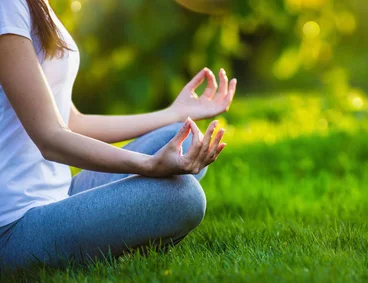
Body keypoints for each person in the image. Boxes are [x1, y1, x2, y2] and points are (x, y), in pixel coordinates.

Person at [0, 0, 237, 269]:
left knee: (177, 138)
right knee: (183, 196)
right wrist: (149, 165)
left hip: (60, 193)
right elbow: (50, 138)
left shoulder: (37, 5)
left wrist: (175, 113)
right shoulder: (7, 6)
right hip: (13, 226)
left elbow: (72, 121)